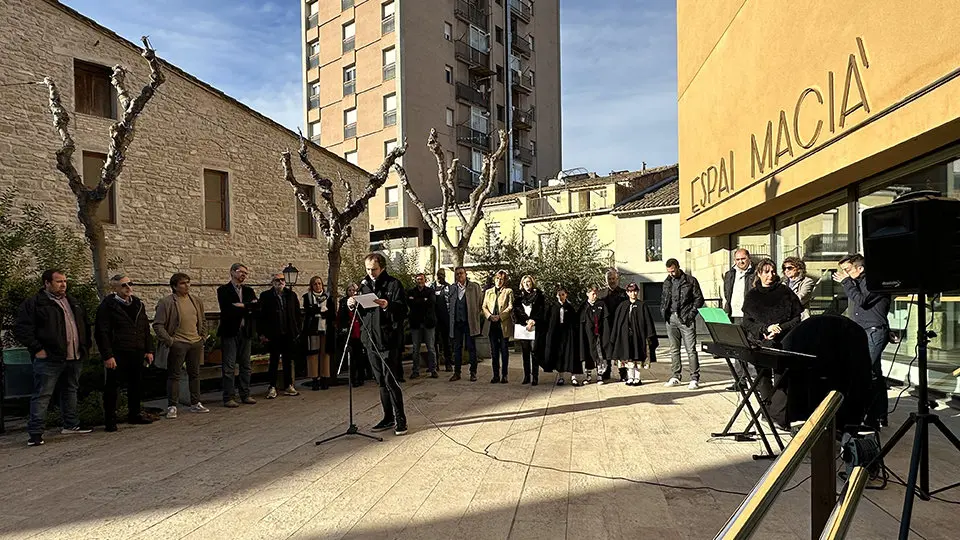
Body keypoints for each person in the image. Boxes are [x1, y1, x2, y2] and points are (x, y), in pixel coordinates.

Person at [14, 269, 93, 446]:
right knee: (43, 394)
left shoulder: (73, 302)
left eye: (65, 281)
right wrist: (37, 349)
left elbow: (85, 325)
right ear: (47, 283)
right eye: (58, 281)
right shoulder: (35, 304)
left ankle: (70, 425)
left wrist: (85, 346)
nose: (63, 284)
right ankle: (35, 433)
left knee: (70, 390)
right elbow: (22, 329)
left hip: (74, 356)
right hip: (49, 358)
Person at [350, 253, 408, 435]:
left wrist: (386, 305)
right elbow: (362, 312)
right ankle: (388, 417)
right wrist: (352, 303)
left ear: (381, 267)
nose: (370, 273)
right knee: (381, 382)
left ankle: (401, 419)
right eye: (367, 269)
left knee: (391, 380)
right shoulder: (364, 286)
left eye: (373, 269)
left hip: (389, 340)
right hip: (371, 340)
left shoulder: (394, 284)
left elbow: (403, 309)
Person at [833, 253, 891, 425]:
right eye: (843, 271)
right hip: (861, 331)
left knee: (863, 371)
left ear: (861, 268)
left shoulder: (874, 283)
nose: (845, 274)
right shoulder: (856, 283)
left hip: (874, 331)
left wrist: (846, 282)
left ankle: (865, 415)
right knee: (874, 373)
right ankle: (878, 415)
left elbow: (862, 300)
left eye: (848, 270)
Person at [94, 274, 154, 432]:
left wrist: (148, 349)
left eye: (130, 284)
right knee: (113, 387)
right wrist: (107, 355)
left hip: (136, 350)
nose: (128, 288)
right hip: (118, 352)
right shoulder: (107, 306)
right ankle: (110, 420)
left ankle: (134, 414)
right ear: (115, 289)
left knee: (136, 384)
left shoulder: (138, 304)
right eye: (123, 285)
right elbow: (102, 332)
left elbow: (145, 328)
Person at [742, 258, 804, 404]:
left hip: (782, 342)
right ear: (759, 273)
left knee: (781, 379)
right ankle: (766, 409)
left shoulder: (785, 292)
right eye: (766, 272)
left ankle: (779, 411)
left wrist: (780, 328)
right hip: (760, 342)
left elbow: (796, 318)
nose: (770, 275)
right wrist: (764, 329)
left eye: (773, 271)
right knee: (763, 378)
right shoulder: (752, 295)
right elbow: (747, 322)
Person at [153, 273, 209, 418]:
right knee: (174, 375)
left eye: (188, 282)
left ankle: (196, 403)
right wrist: (171, 341)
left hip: (195, 342)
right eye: (183, 283)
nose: (187, 286)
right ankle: (172, 405)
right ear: (174, 286)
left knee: (195, 374)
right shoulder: (166, 302)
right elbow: (158, 325)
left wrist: (202, 337)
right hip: (178, 343)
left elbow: (202, 319)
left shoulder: (196, 301)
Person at [216, 263, 258, 408]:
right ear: (232, 272)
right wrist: (248, 307)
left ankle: (245, 394)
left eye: (246, 273)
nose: (244, 275)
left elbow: (256, 307)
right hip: (230, 331)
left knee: (246, 365)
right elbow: (227, 309)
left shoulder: (249, 290)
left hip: (245, 331)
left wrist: (242, 306)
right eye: (241, 272)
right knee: (229, 366)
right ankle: (228, 397)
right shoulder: (223, 290)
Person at [661, 258, 705, 390]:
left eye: (673, 271)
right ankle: (675, 376)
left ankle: (694, 378)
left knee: (690, 350)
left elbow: (699, 299)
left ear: (678, 267)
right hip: (671, 318)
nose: (671, 274)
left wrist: (691, 314)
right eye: (669, 271)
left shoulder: (690, 281)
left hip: (686, 319)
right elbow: (664, 298)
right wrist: (664, 312)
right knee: (674, 349)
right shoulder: (667, 282)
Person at [259, 273, 303, 399]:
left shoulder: (291, 295)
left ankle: (288, 385)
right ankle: (272, 386)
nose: (280, 282)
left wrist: (297, 330)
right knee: (273, 361)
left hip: (288, 333)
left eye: (282, 279)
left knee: (288, 361)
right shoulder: (266, 296)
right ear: (273, 282)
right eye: (277, 280)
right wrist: (262, 333)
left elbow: (297, 313)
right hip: (273, 334)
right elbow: (261, 316)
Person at [610, 282, 658, 386]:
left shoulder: (642, 305)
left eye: (635, 291)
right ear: (627, 293)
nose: (633, 294)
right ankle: (630, 377)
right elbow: (617, 323)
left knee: (637, 357)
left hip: (638, 337)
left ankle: (637, 378)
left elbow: (648, 322)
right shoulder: (622, 306)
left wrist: (649, 336)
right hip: (625, 337)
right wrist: (615, 337)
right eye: (631, 291)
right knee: (628, 357)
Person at [723, 249, 756, 390]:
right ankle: (740, 380)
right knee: (737, 349)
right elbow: (727, 293)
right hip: (734, 315)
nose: (740, 262)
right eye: (737, 259)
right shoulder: (730, 274)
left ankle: (756, 380)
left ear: (748, 258)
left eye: (743, 259)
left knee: (752, 347)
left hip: (750, 316)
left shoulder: (755, 273)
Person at [447, 266, 482, 382]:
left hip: (469, 323)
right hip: (457, 323)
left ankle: (473, 372)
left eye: (461, 273)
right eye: (457, 274)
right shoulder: (452, 288)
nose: (459, 276)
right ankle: (457, 372)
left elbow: (480, 303)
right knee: (457, 348)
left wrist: (475, 315)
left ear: (466, 274)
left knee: (471, 348)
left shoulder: (474, 287)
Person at [482, 270, 514, 384]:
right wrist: (490, 316)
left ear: (504, 280)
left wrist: (500, 316)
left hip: (503, 324)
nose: (499, 281)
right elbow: (484, 306)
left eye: (501, 279)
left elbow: (510, 307)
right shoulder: (488, 292)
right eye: (497, 278)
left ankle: (504, 375)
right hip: (492, 325)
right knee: (494, 352)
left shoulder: (508, 291)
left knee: (504, 351)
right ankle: (495, 375)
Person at [302, 276, 334, 390]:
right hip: (312, 329)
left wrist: (319, 311)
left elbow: (331, 313)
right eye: (315, 284)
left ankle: (325, 378)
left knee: (325, 354)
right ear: (312, 286)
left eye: (319, 283)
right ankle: (314, 379)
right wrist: (320, 310)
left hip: (326, 329)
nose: (318, 286)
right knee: (313, 354)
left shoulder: (328, 297)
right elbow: (308, 311)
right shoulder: (307, 297)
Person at [513, 275, 546, 386]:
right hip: (523, 328)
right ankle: (526, 376)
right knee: (525, 353)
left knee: (534, 352)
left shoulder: (539, 296)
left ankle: (535, 377)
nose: (527, 284)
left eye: (529, 282)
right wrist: (527, 321)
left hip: (535, 327)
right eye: (525, 282)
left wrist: (533, 321)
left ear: (532, 283)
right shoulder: (518, 297)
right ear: (522, 284)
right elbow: (517, 311)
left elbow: (541, 310)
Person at [575, 285, 610, 386]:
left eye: (595, 293)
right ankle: (588, 376)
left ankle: (600, 376)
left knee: (599, 355)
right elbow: (580, 322)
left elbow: (605, 320)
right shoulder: (583, 306)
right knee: (588, 355)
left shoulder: (601, 304)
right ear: (587, 294)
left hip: (599, 335)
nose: (594, 295)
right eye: (592, 293)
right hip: (587, 336)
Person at [544, 287, 579, 386]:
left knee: (571, 355)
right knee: (559, 355)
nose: (561, 296)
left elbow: (574, 322)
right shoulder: (553, 307)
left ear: (566, 295)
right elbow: (548, 321)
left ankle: (573, 377)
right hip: (557, 335)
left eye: (562, 294)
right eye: (559, 294)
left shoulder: (570, 307)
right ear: (556, 295)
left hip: (568, 335)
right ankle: (561, 377)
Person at [598, 268, 628, 381]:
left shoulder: (624, 293)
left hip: (620, 326)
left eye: (613, 278)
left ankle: (623, 372)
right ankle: (607, 370)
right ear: (606, 280)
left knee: (620, 349)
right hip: (606, 326)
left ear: (617, 279)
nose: (612, 281)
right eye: (609, 279)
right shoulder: (601, 294)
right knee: (607, 348)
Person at [339, 282, 371, 386]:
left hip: (360, 330)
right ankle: (352, 379)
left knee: (360, 356)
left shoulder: (360, 301)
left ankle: (361, 377)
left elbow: (365, 314)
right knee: (351, 356)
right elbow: (341, 316)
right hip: (350, 331)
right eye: (350, 290)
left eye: (354, 290)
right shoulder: (343, 302)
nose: (352, 292)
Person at [407, 272, 438, 379]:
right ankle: (415, 370)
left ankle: (433, 369)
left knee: (431, 347)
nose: (419, 281)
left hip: (428, 323)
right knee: (416, 349)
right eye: (418, 279)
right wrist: (423, 300)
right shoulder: (411, 291)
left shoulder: (430, 291)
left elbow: (432, 302)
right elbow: (410, 303)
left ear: (425, 280)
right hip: (416, 324)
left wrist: (417, 301)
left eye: (421, 279)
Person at [432, 269, 453, 372]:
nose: (440, 277)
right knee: (434, 342)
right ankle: (435, 364)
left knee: (446, 342)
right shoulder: (431, 287)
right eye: (439, 275)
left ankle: (448, 363)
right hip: (434, 319)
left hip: (446, 318)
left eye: (442, 275)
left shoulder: (449, 287)